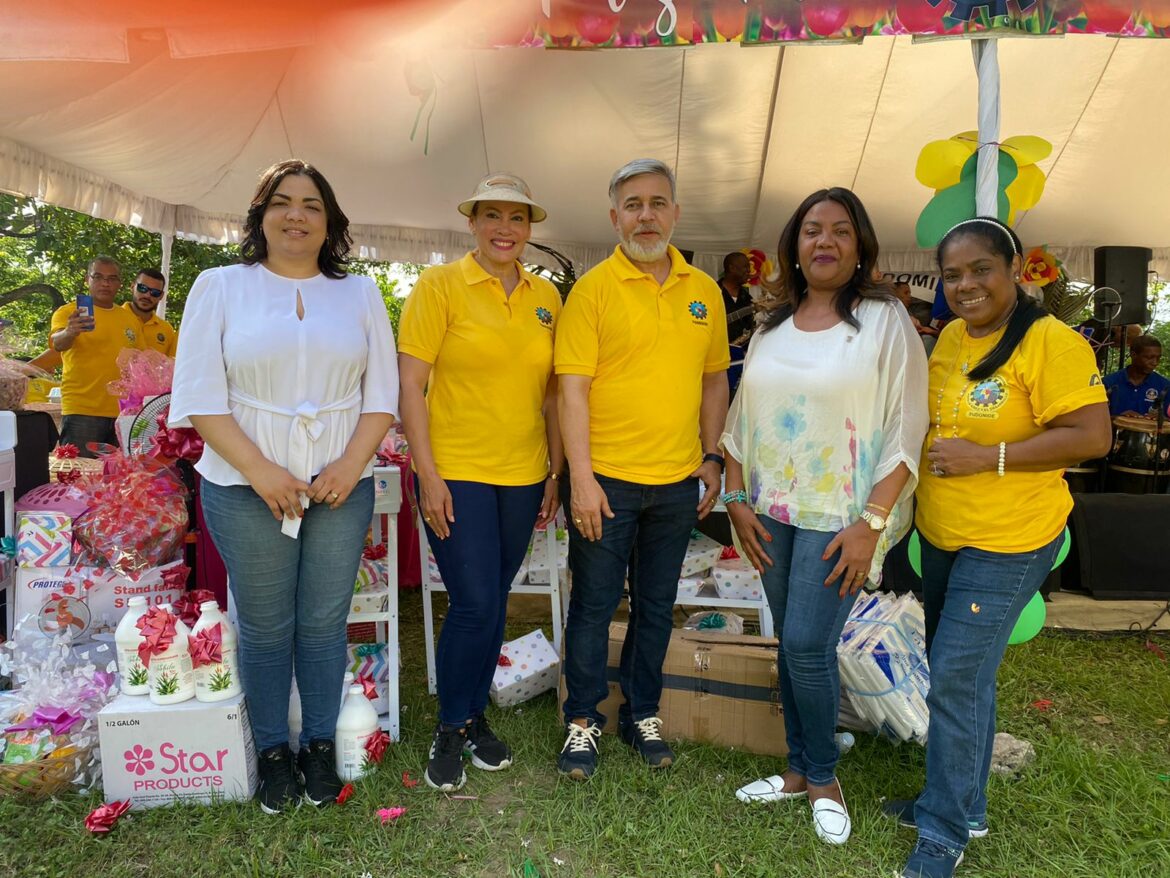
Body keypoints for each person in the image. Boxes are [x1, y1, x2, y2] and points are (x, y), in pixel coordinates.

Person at [169, 159, 399, 815]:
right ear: (260, 215)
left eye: (312, 205)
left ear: (330, 224)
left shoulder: (360, 295)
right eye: (282, 202)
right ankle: (273, 751)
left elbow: (380, 394)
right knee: (268, 629)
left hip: (337, 487)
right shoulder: (219, 287)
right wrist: (262, 471)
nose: (296, 215)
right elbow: (200, 396)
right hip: (244, 488)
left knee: (325, 626)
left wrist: (350, 466)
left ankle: (319, 747)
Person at [886, 217, 1110, 878]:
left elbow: (1092, 435)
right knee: (962, 676)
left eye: (980, 269)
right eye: (952, 275)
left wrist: (991, 457)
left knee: (955, 676)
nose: (966, 285)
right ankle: (964, 801)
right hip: (945, 536)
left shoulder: (1050, 342)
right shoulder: (953, 336)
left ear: (1014, 270)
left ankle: (944, 829)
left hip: (1010, 541)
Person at [723, 188, 928, 846]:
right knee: (792, 642)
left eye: (841, 231)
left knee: (808, 646)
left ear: (860, 244)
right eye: (813, 230)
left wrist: (872, 521)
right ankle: (794, 768)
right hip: (770, 510)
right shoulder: (770, 324)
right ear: (794, 244)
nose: (825, 242)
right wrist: (735, 498)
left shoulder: (884, 320)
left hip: (841, 515)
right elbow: (740, 416)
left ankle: (822, 776)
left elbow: (906, 425)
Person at [555, 158, 729, 780]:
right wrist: (580, 477)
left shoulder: (704, 292)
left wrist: (712, 457)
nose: (646, 214)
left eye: (658, 202)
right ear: (614, 217)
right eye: (633, 204)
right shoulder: (593, 290)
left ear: (676, 213)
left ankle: (641, 712)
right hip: (607, 484)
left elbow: (714, 382)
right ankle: (582, 720)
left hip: (679, 482)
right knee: (595, 606)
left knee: (657, 606)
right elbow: (571, 391)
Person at [397, 172, 563, 792]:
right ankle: (451, 725)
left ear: (529, 228)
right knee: (473, 601)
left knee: (493, 594)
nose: (504, 229)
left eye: (516, 218)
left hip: (523, 475)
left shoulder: (548, 297)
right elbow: (410, 386)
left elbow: (552, 394)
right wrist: (428, 473)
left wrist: (554, 471)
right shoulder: (440, 285)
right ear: (472, 223)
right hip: (457, 471)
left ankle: (474, 718)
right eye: (491, 215)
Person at [49, 256, 144, 455]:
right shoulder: (68, 312)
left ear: (120, 284)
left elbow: (139, 360)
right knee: (78, 477)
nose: (105, 283)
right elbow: (57, 344)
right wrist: (70, 332)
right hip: (82, 411)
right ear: (87, 279)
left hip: (123, 412)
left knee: (119, 479)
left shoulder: (129, 318)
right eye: (98, 277)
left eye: (112, 278)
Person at [1102, 335, 1170, 417]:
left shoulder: (1165, 386)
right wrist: (1119, 418)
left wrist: (1157, 421)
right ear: (1133, 355)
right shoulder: (1108, 383)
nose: (1155, 363)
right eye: (1149, 357)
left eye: (1158, 358)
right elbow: (1096, 419)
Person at [124, 268, 178, 356]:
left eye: (155, 292)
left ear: (161, 296)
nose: (147, 295)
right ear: (132, 287)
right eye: (142, 288)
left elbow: (171, 364)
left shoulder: (167, 330)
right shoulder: (113, 318)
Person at [719, 250, 755, 345]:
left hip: (739, 355)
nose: (749, 271)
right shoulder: (712, 292)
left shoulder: (747, 298)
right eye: (745, 267)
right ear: (732, 268)